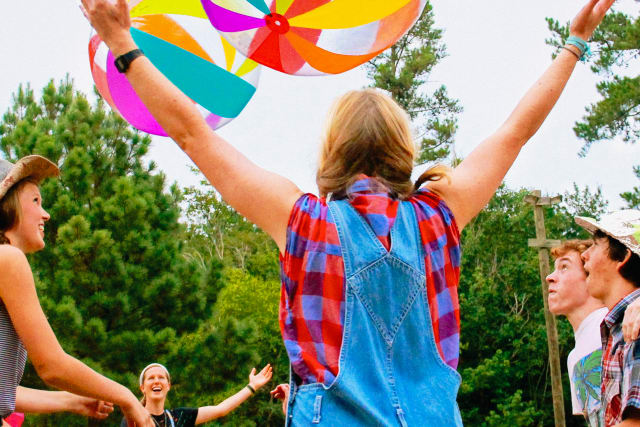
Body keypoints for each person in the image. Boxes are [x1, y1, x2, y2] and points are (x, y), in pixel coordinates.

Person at [81, 0, 615, 424]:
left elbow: (191, 131)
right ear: (402, 148)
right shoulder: (438, 217)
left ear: (331, 150)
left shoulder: (302, 221)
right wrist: (574, 44)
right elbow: (515, 132)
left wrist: (122, 42)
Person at [0, 155, 152, 427]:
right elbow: (52, 366)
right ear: (7, 206)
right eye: (35, 201)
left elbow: (4, 391)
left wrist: (73, 400)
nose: (45, 214)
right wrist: (126, 396)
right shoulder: (7, 259)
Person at [576, 210, 640, 426]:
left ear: (622, 257)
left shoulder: (636, 325)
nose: (584, 254)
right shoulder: (618, 327)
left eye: (595, 244)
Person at [547, 240, 607, 425]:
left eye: (564, 267)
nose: (549, 277)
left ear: (591, 276)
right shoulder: (574, 357)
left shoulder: (622, 322)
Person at [120, 363, 273, 427]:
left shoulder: (178, 417)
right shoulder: (132, 419)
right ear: (142, 388)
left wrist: (252, 386)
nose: (156, 381)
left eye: (161, 378)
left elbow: (221, 409)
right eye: (151, 378)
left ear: (168, 386)